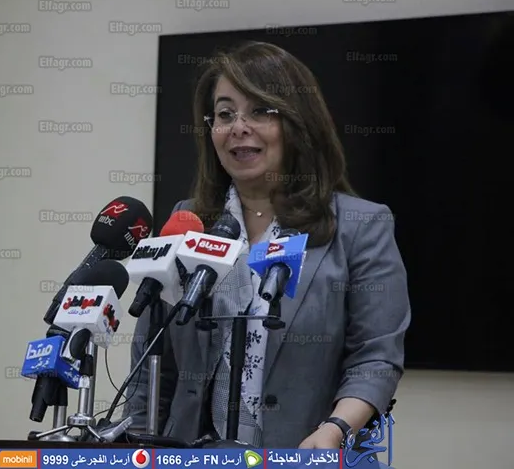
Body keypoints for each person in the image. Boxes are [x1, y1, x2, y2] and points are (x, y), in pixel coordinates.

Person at [123, 41, 411, 450]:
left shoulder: (360, 226)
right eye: (225, 114)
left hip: (304, 453)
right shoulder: (189, 221)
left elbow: (376, 358)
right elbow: (153, 360)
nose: (239, 127)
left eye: (260, 111)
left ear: (297, 123)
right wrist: (133, 446)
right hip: (190, 455)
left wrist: (334, 430)